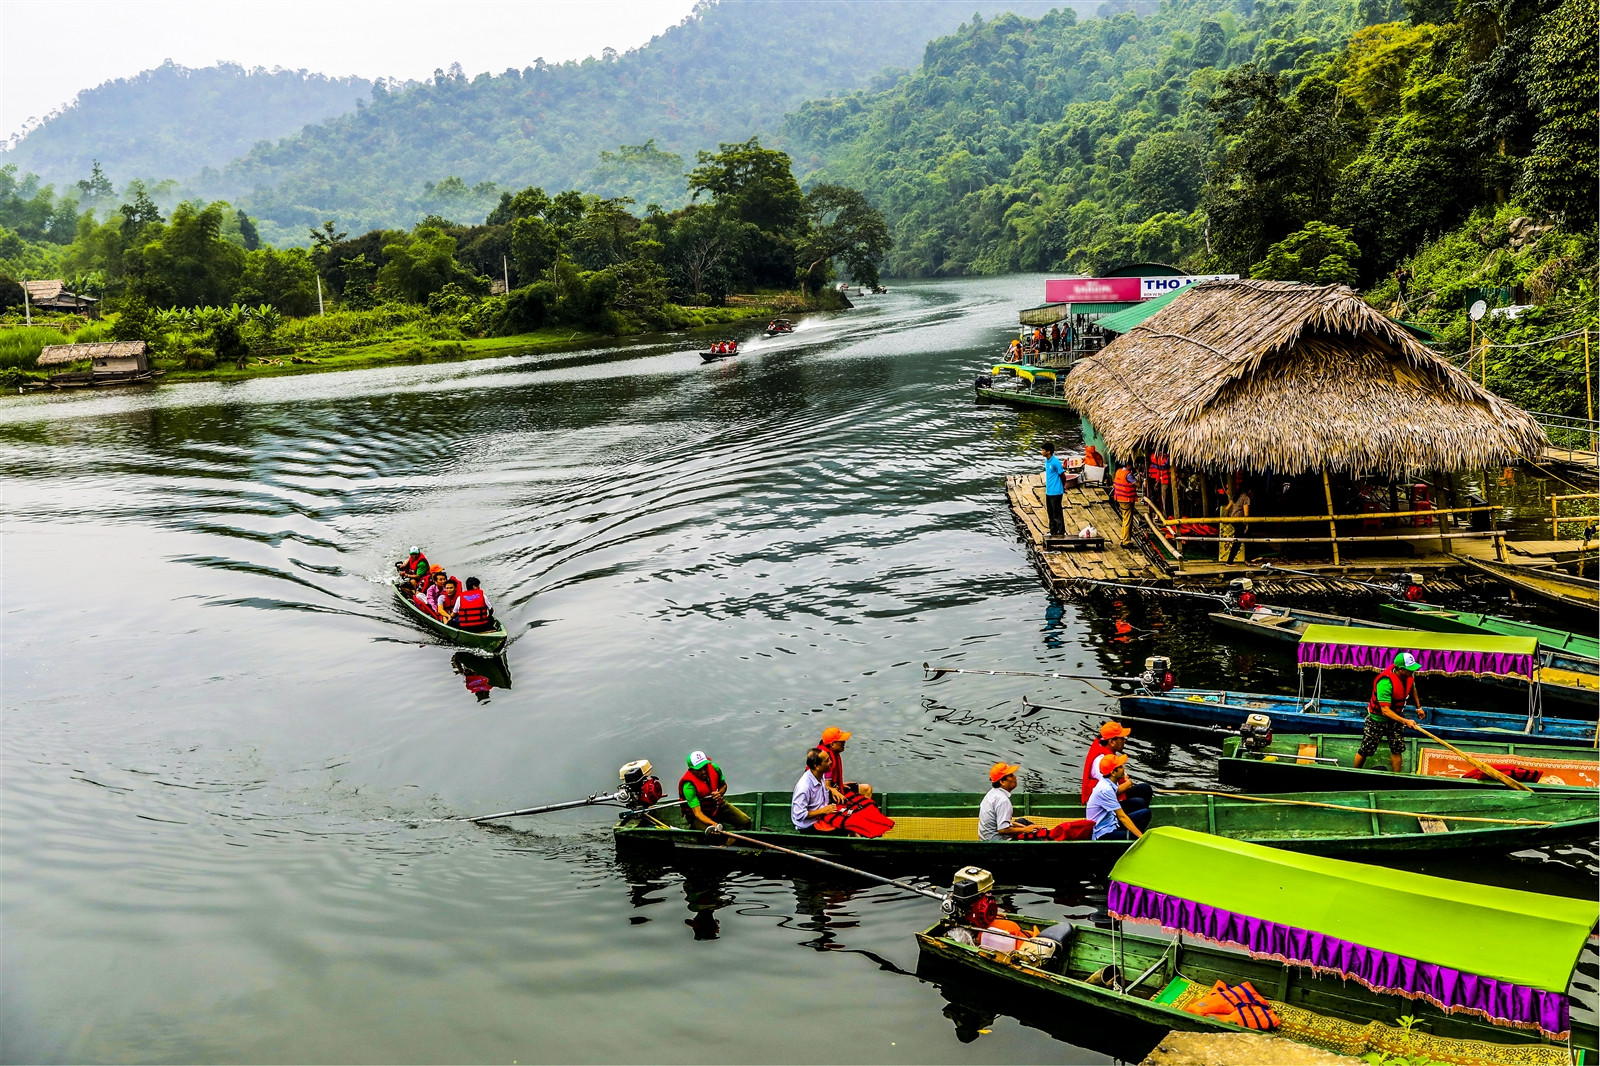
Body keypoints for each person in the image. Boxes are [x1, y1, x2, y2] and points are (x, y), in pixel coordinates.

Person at [1354, 652, 1424, 772]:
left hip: (1395, 718)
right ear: (1400, 669)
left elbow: (1412, 688)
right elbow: (1385, 711)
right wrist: (1405, 721)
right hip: (1377, 719)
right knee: (1366, 749)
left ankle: (1397, 778)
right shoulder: (1385, 683)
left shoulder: (1408, 677)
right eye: (1409, 670)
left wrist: (1418, 707)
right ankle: (1354, 773)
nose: (1412, 672)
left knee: (1397, 748)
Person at [680, 750, 752, 833]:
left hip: (716, 806)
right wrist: (715, 825)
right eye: (699, 769)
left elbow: (724, 786)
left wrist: (719, 793)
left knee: (745, 822)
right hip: (699, 815)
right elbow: (698, 813)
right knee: (714, 834)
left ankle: (734, 836)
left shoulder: (714, 768)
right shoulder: (688, 786)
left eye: (705, 767)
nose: (703, 771)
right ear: (692, 770)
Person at [1087, 755, 1149, 840]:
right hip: (1103, 832)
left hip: (1112, 822)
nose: (1123, 768)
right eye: (1120, 767)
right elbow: (1122, 817)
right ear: (1113, 772)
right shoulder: (1105, 789)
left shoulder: (1110, 782)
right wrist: (1141, 837)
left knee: (1146, 813)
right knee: (1134, 836)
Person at [978, 762, 1038, 840]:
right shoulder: (1003, 800)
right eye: (1011, 775)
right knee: (1035, 837)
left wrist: (1019, 826)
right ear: (1002, 782)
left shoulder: (991, 794)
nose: (1015, 777)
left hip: (986, 838)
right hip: (999, 843)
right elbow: (1002, 830)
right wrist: (1025, 830)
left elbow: (996, 821)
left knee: (1022, 822)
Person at [814, 727, 871, 801]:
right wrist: (834, 789)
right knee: (865, 790)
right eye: (841, 741)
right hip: (826, 797)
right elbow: (826, 787)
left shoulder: (830, 753)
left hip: (834, 788)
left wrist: (840, 784)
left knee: (866, 789)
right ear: (832, 744)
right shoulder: (826, 760)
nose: (844, 742)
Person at [791, 749, 837, 832]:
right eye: (827, 761)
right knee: (845, 829)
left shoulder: (820, 775)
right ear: (817, 766)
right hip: (809, 825)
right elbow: (799, 815)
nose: (830, 762)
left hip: (822, 816)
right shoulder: (804, 787)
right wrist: (823, 811)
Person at [1220, 489, 1252, 565]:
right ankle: (1230, 561)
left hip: (1233, 520)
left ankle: (1250, 558)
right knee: (1238, 541)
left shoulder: (1236, 497)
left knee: (1247, 537)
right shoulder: (1246, 498)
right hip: (1239, 521)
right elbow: (1246, 513)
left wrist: (1227, 516)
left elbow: (1227, 508)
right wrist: (1247, 524)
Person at [1042, 441, 1067, 537]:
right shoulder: (1047, 461)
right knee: (1050, 512)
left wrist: (1063, 486)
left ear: (1048, 452)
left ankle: (1060, 531)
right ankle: (1053, 530)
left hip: (1056, 491)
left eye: (1043, 450)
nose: (1042, 452)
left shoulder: (1055, 462)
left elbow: (1063, 475)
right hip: (1049, 491)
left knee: (1057, 512)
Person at [1112, 463, 1138, 547]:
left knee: (1124, 519)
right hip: (1126, 499)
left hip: (1119, 497)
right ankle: (1126, 541)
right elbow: (1137, 484)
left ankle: (1123, 538)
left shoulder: (1119, 471)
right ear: (1128, 465)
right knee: (1127, 520)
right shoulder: (1128, 474)